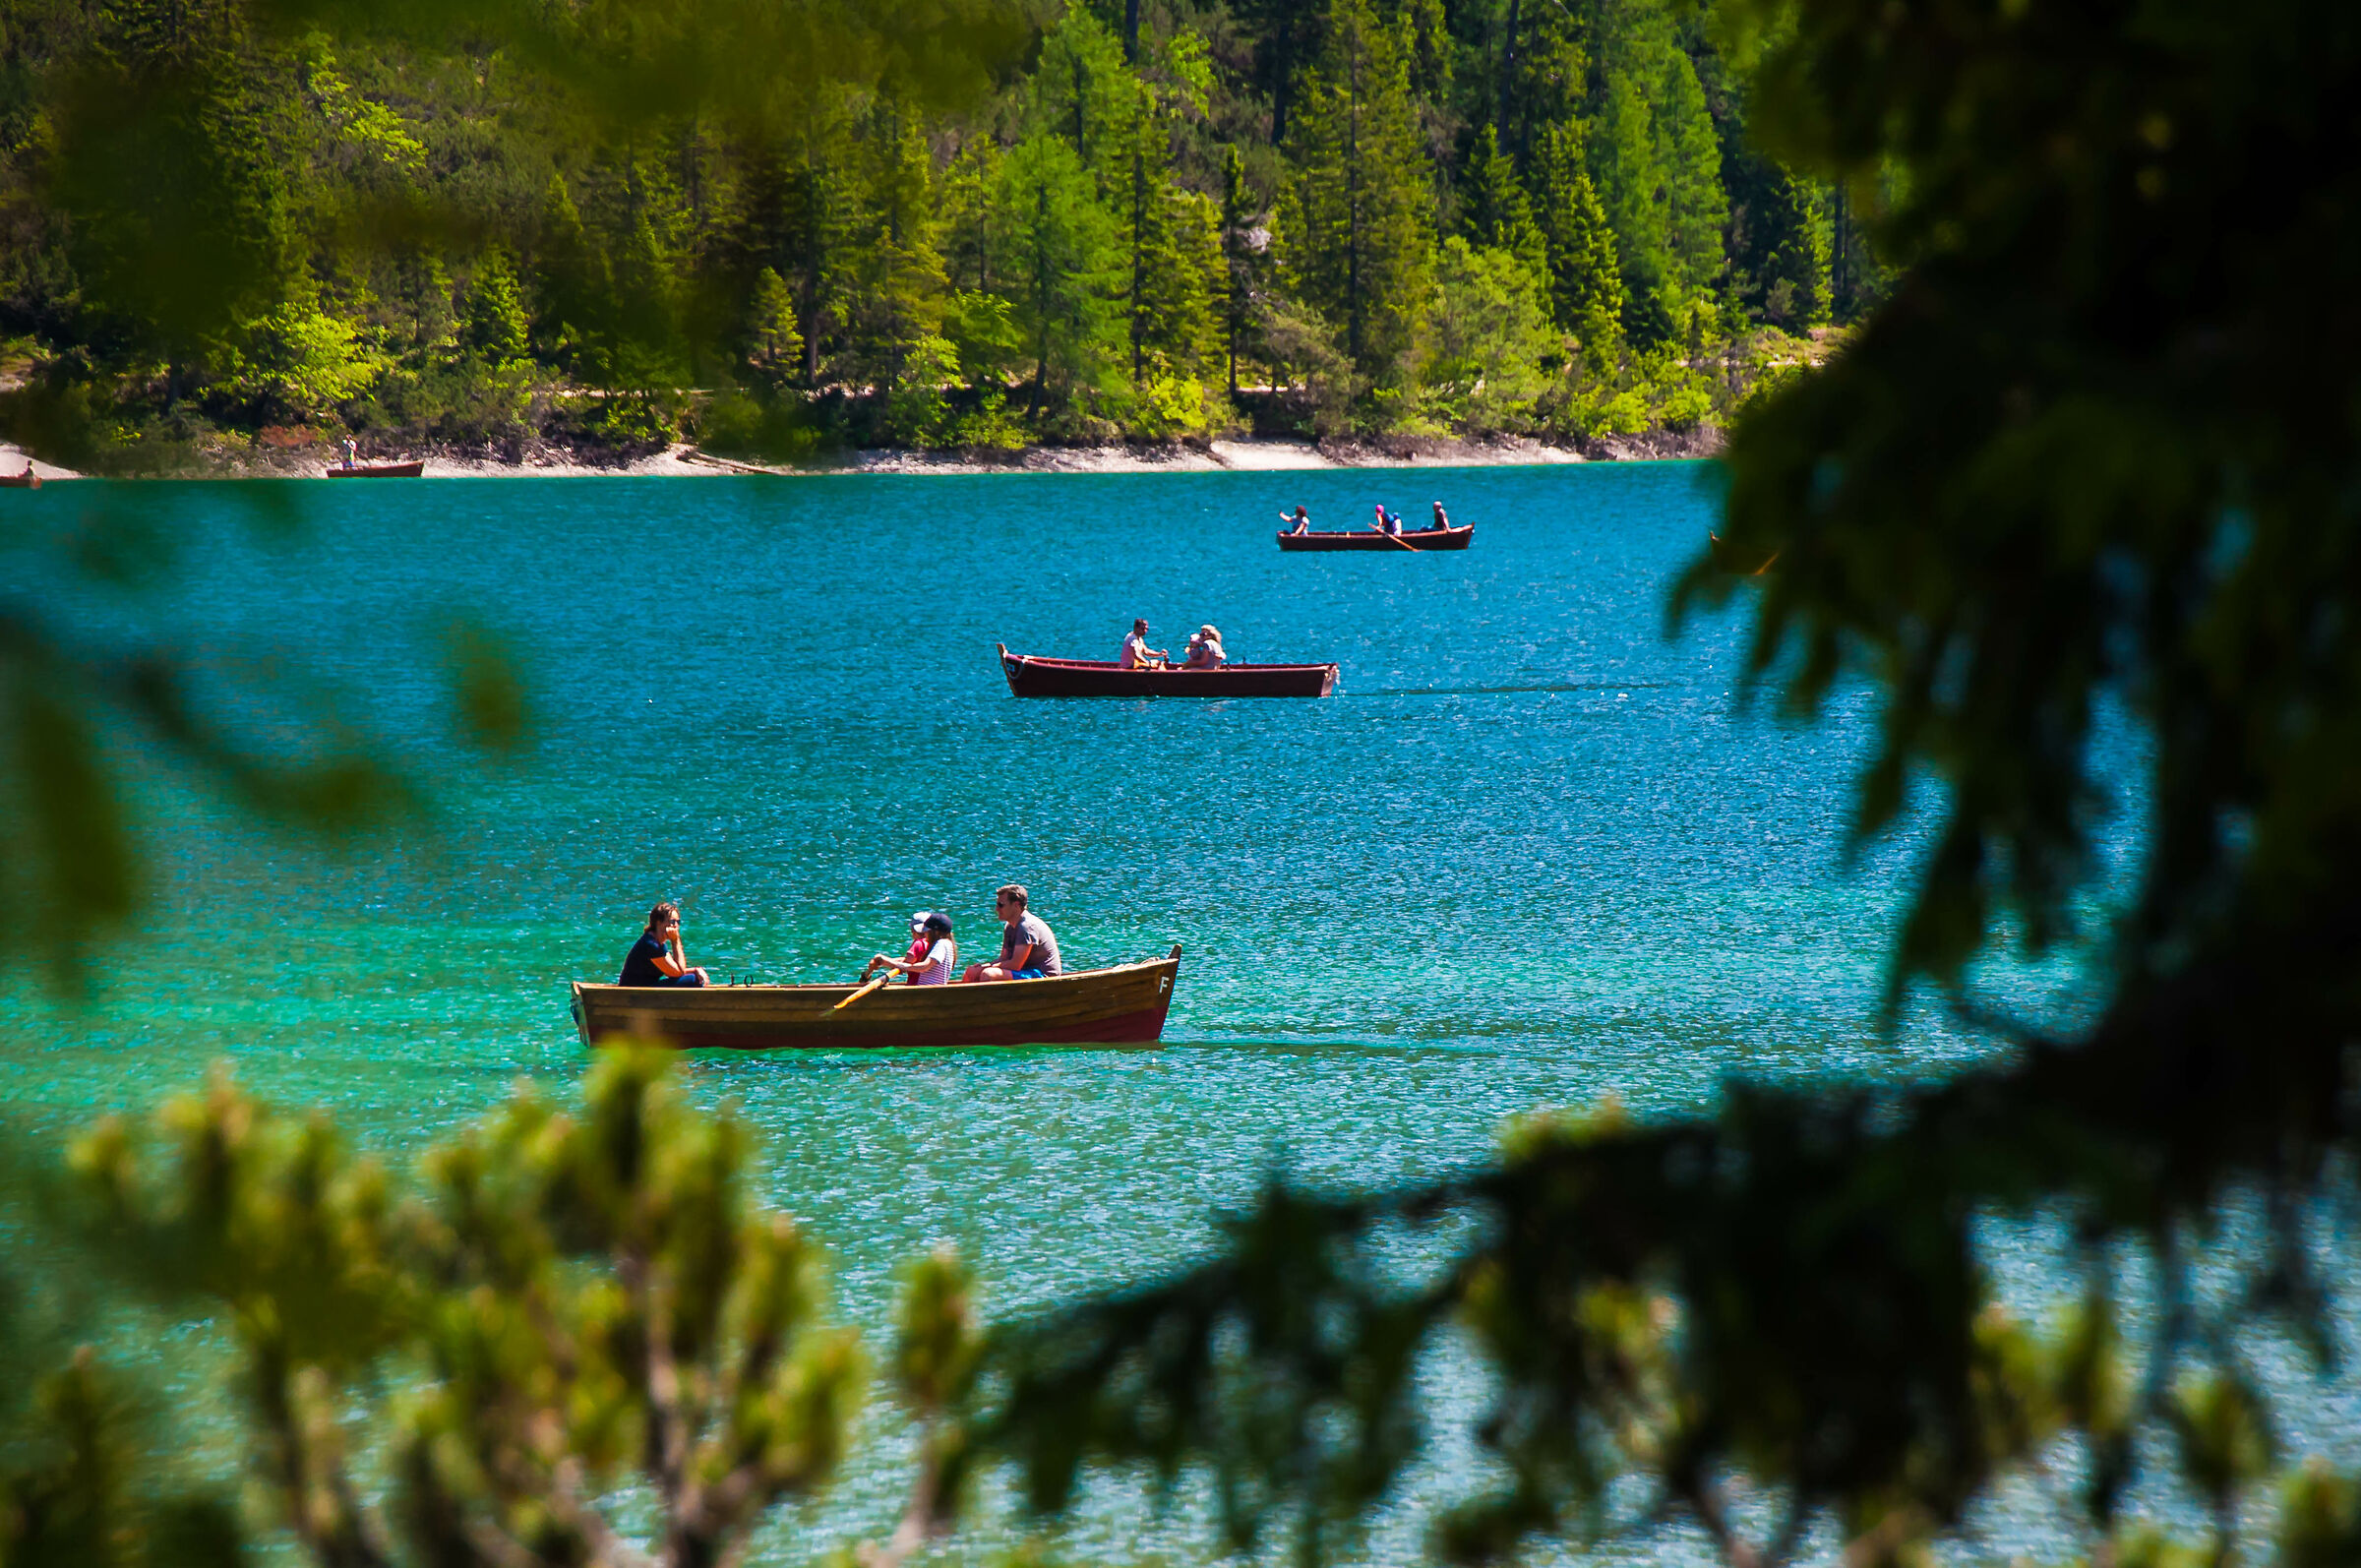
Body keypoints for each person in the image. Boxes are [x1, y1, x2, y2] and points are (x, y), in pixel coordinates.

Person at [959, 884, 1061, 983]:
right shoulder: (1010, 926)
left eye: (1001, 905)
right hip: (1025, 971)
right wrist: (980, 968)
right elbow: (1004, 958)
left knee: (988, 974)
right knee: (971, 972)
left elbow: (1015, 965)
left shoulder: (1027, 927)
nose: (997, 909)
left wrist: (987, 968)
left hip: (1042, 975)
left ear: (1016, 905)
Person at [619, 902, 709, 987]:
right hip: (635, 992)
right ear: (659, 922)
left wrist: (695, 970)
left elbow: (675, 969)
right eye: (673, 922)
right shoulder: (651, 944)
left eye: (678, 922)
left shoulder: (659, 942)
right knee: (693, 979)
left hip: (645, 988)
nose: (676, 926)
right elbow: (678, 972)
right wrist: (675, 941)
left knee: (694, 976)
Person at [871, 911, 956, 986]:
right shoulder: (948, 943)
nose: (925, 934)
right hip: (930, 989)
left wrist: (906, 967)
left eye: (927, 931)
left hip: (926, 990)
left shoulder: (941, 944)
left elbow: (925, 966)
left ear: (936, 932)